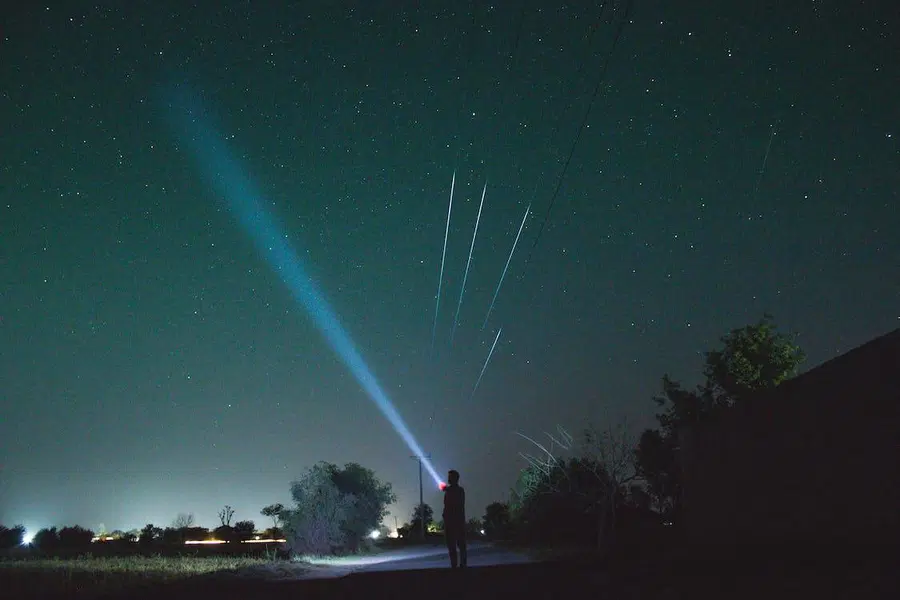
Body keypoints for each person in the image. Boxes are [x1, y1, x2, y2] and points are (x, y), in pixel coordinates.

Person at [442, 469, 467, 568]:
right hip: (451, 521)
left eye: (450, 477)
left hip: (456, 521)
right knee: (452, 545)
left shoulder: (458, 491)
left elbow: (455, 505)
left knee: (459, 544)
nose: (448, 479)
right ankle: (456, 565)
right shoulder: (453, 491)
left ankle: (461, 565)